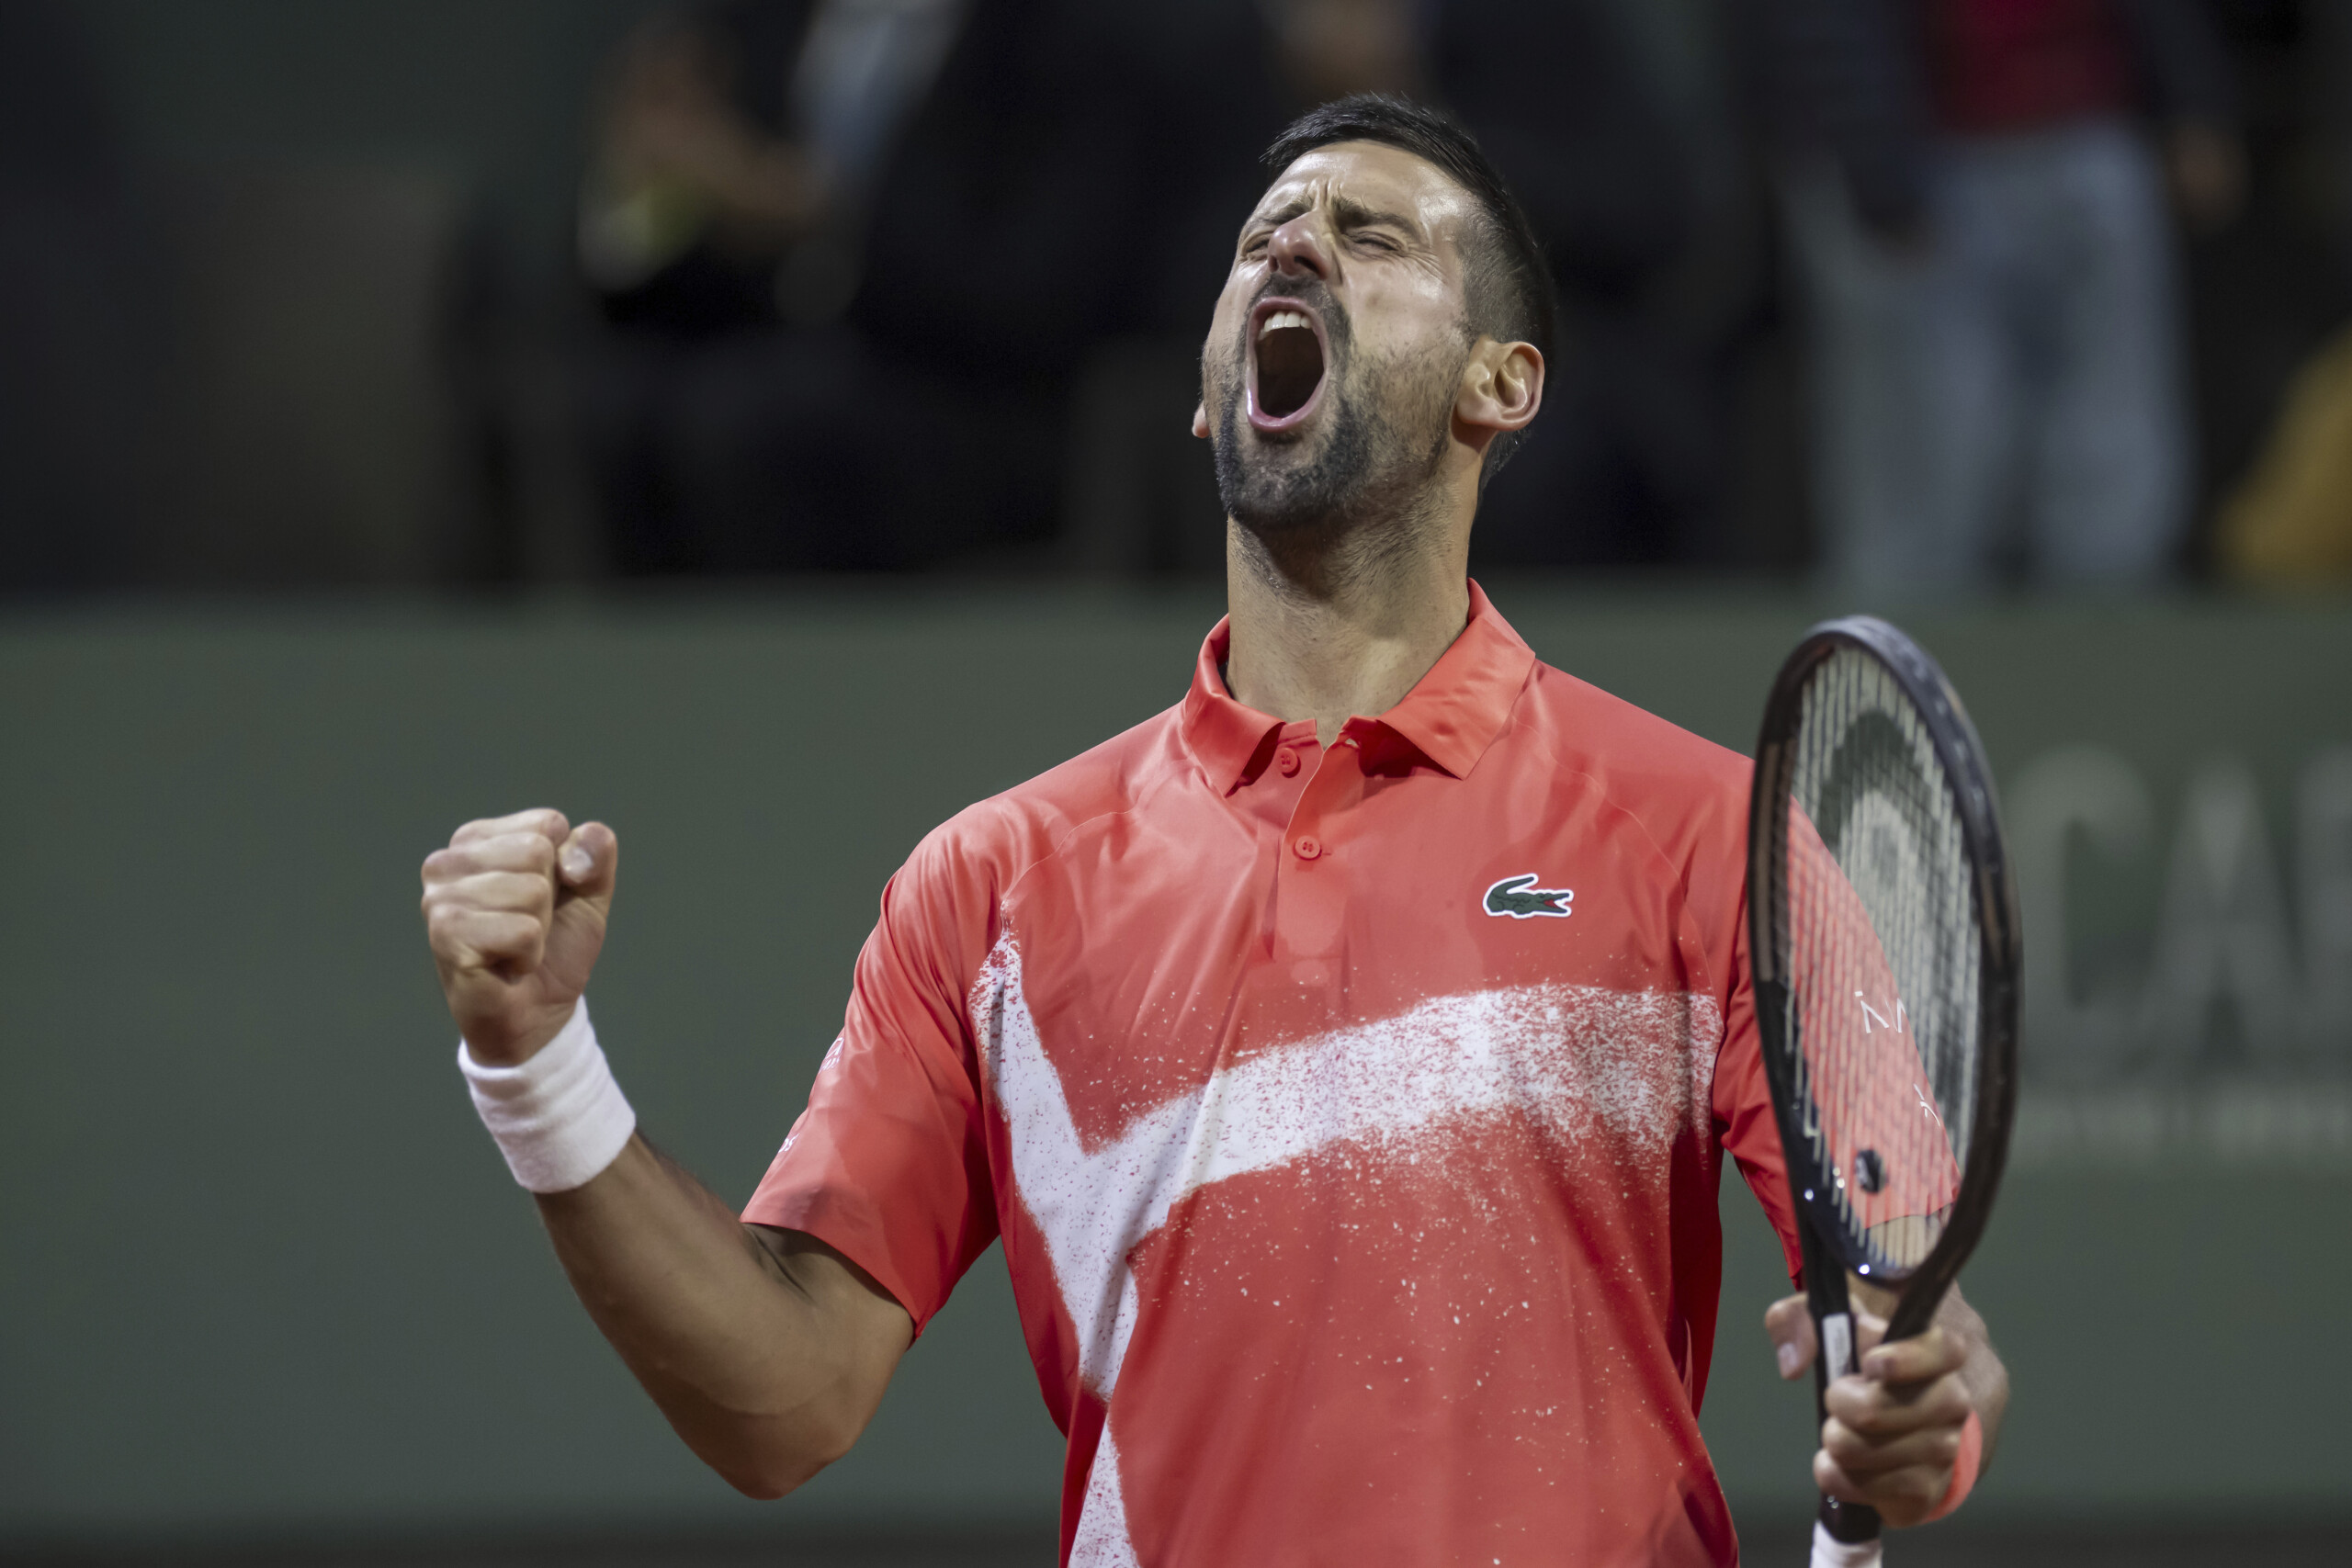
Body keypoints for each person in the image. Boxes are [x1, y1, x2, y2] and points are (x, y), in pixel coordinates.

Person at [422, 96, 2007, 1563]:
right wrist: (534, 1065)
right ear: (1206, 393)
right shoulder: (990, 889)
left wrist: (1917, 1406)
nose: (1295, 244)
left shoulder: (1707, 832)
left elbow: (1910, 1341)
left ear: (1500, 380)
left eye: (1371, 236)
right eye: (1262, 239)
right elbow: (784, 1403)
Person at [1749, 0, 2240, 592]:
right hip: (1927, 147)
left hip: (2089, 126)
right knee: (1928, 467)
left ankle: (2105, 636)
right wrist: (1874, 158)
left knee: (2109, 448)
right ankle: (1891, 657)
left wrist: (2193, 98)